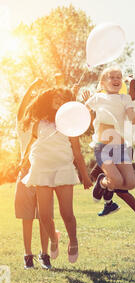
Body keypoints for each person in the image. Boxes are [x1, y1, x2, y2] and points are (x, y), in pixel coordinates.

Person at [20, 87, 92, 264]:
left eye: (63, 99)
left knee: (67, 213)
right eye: (56, 98)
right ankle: (54, 238)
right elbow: (32, 143)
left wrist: (85, 175)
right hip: (42, 170)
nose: (59, 101)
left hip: (63, 169)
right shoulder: (39, 123)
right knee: (44, 215)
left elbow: (76, 151)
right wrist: (24, 161)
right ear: (48, 101)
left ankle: (73, 240)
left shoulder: (69, 124)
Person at [83, 65, 135, 235]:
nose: (115, 80)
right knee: (117, 181)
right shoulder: (97, 98)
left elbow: (133, 119)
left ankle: (104, 186)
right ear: (103, 82)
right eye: (111, 77)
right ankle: (103, 183)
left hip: (120, 146)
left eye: (118, 77)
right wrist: (83, 102)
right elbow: (81, 115)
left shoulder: (124, 99)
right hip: (103, 147)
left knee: (130, 184)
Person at [14, 78, 53, 269]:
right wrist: (32, 86)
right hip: (25, 174)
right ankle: (27, 255)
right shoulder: (22, 125)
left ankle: (44, 255)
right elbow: (22, 106)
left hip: (44, 173)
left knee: (44, 216)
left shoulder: (45, 125)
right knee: (26, 217)